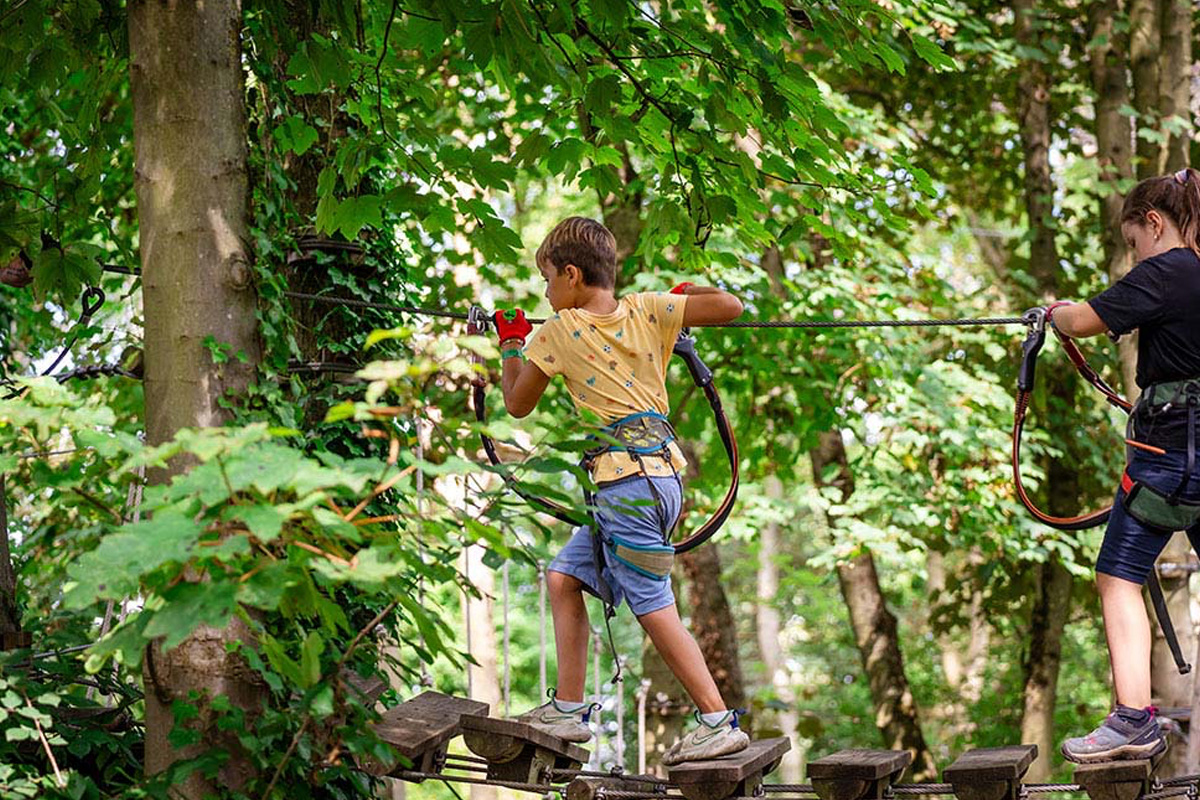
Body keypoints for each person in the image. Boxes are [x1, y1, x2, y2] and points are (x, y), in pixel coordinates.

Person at [490, 216, 748, 765]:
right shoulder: (650, 308)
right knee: (563, 578)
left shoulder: (558, 331)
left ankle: (716, 719)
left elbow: (517, 402)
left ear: (571, 275)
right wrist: (686, 295)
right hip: (660, 480)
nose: (545, 293)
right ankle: (569, 708)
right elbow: (730, 306)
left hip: (625, 487)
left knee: (652, 603)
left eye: (547, 280)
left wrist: (511, 344)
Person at [1052, 168, 1200, 763]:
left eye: (1133, 241)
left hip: (1172, 455)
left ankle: (1133, 718)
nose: (1134, 253)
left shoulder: (1166, 271)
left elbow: (1081, 321)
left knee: (1118, 575)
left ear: (1154, 223)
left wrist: (1053, 314)